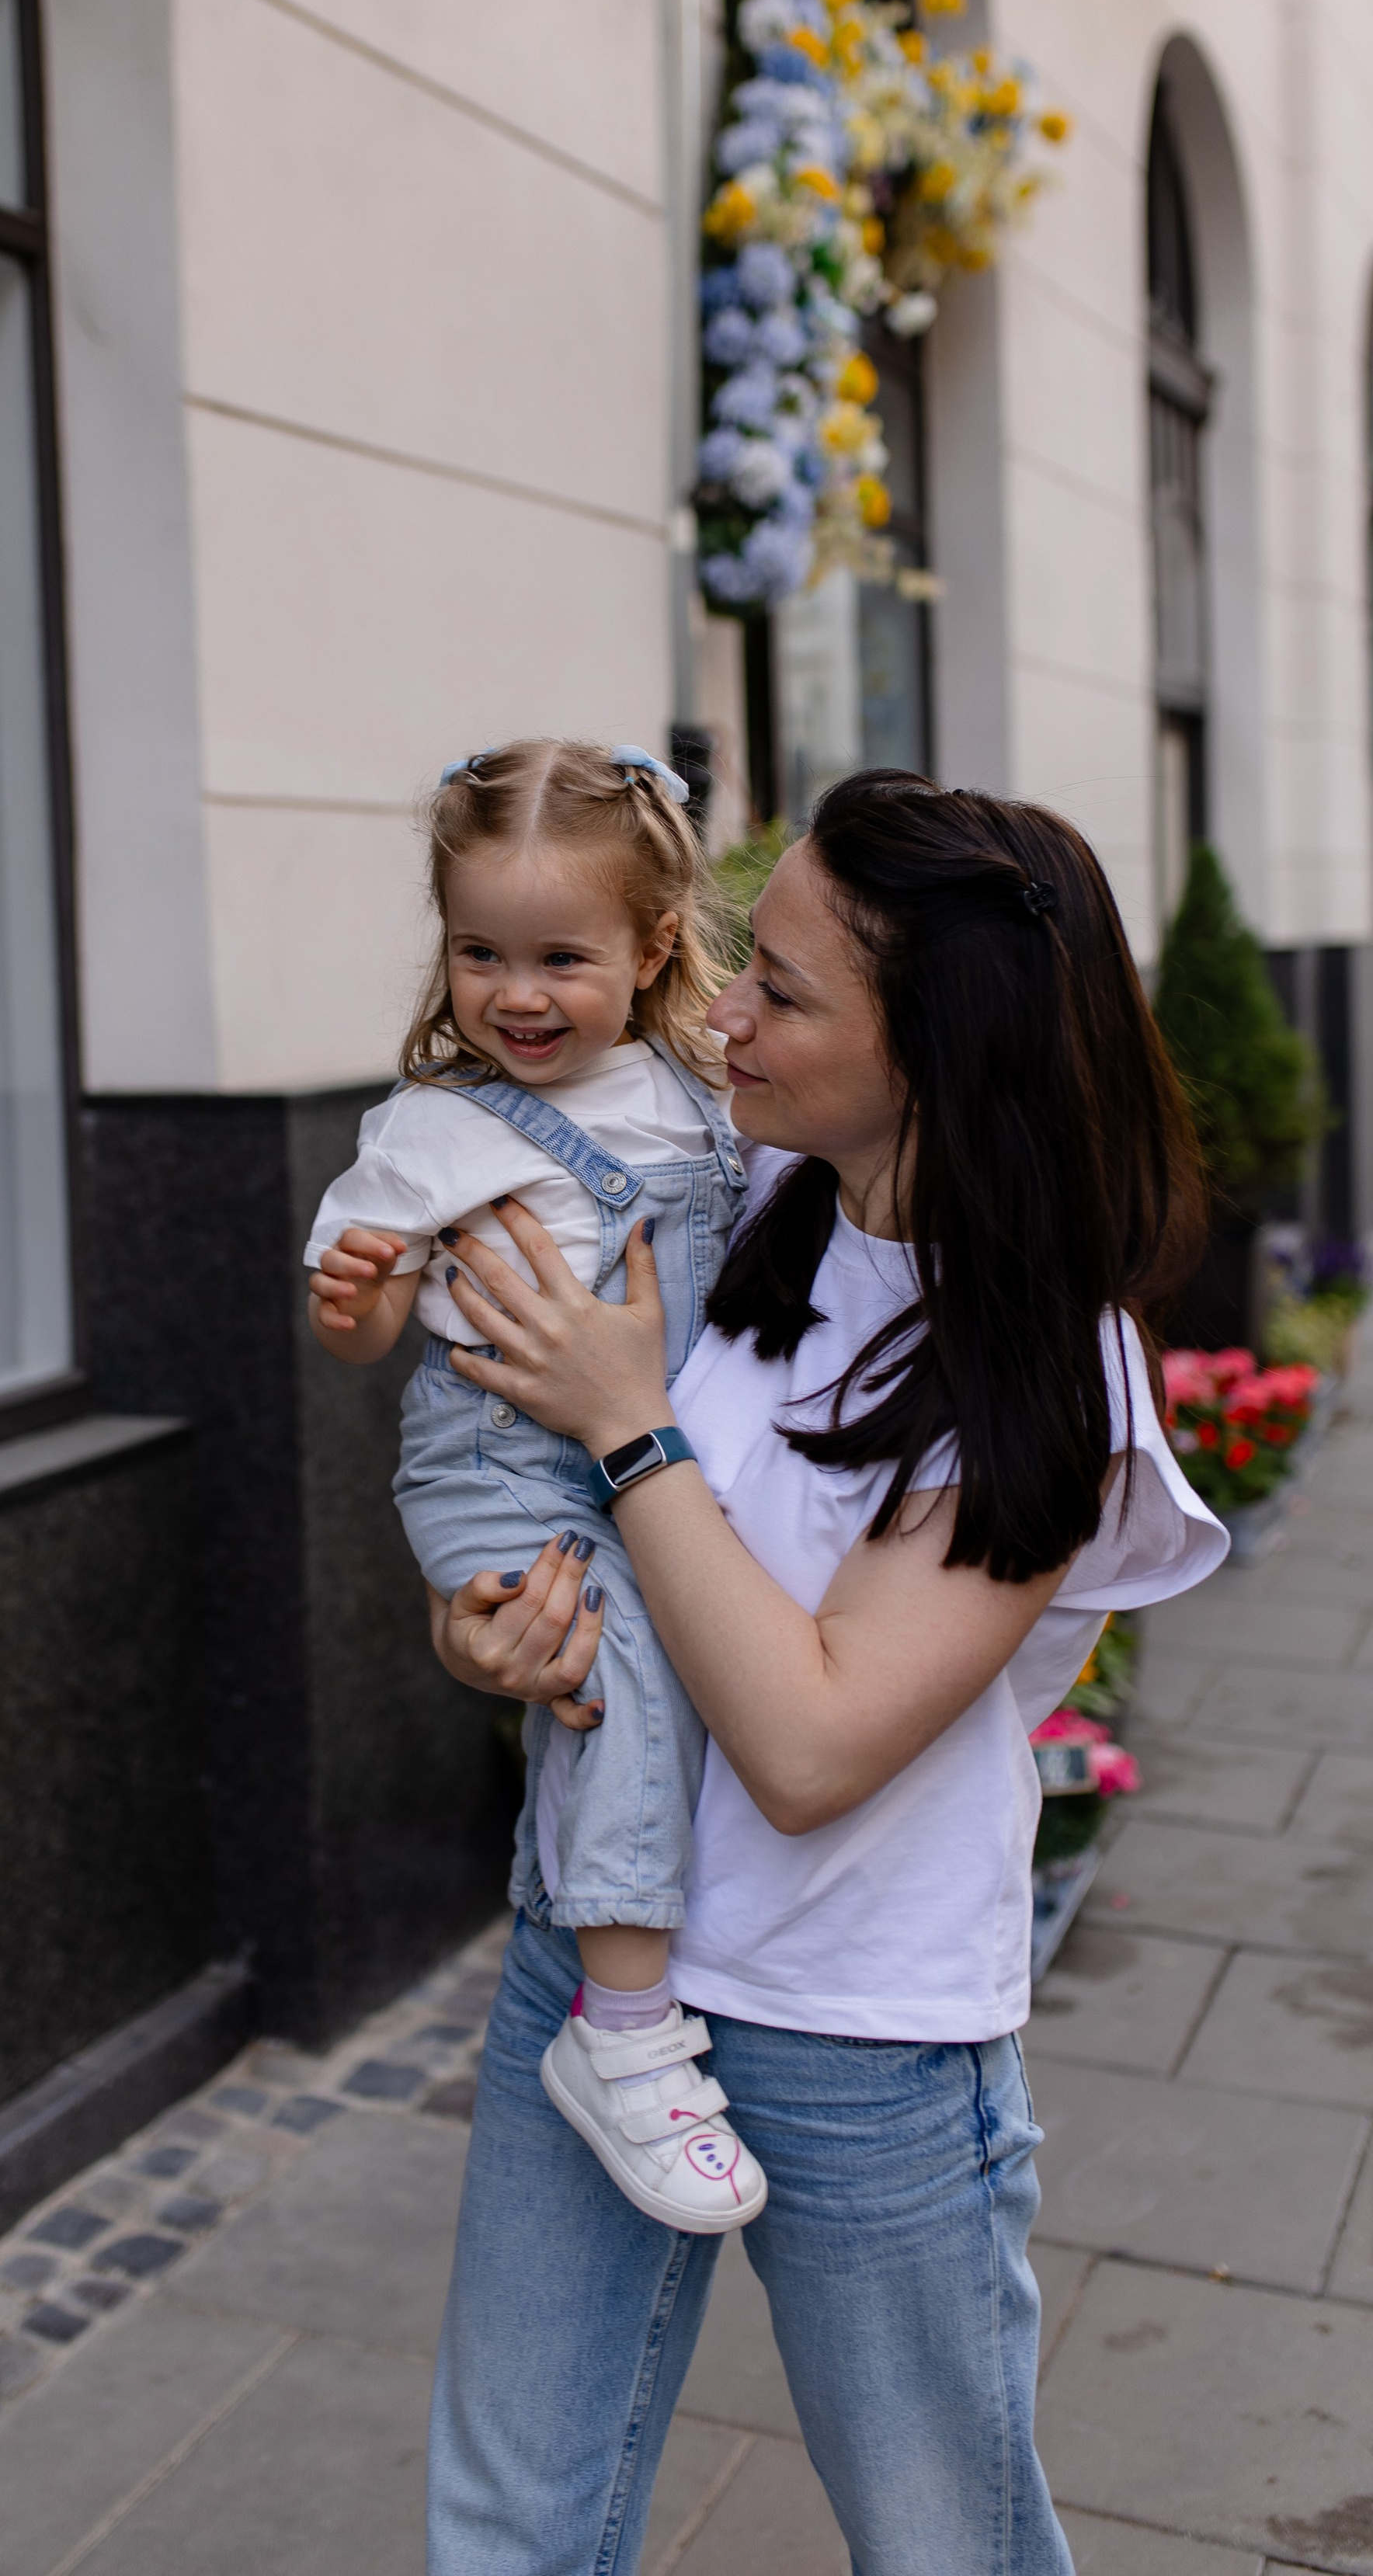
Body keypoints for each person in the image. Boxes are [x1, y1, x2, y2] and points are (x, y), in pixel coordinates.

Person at [422, 771, 1230, 2576]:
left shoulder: (1049, 1379)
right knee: (507, 2524)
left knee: (942, 2543)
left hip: (852, 2027)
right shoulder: (739, 1199)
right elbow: (561, 1527)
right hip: (597, 1967)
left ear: (934, 1048)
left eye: (780, 991)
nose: (718, 1012)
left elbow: (802, 1742)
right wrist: (488, 1624)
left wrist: (630, 1429)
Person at [304, 736, 771, 2231]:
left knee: (670, 1661)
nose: (515, 993)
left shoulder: (700, 1091)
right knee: (617, 1670)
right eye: (478, 954)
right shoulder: (435, 1126)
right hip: (501, 1464)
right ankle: (621, 2036)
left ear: (648, 953)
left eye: (560, 956)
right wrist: (360, 1297)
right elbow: (370, 1316)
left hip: (647, 1452)